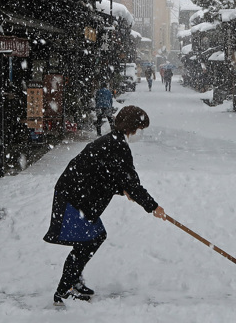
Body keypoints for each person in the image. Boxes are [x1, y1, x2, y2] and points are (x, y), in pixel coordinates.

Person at [43, 105, 167, 303]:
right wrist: (153, 206)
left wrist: (122, 189)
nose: (141, 134)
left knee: (91, 239)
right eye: (141, 129)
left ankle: (72, 282)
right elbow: (131, 182)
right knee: (89, 240)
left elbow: (107, 175)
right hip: (73, 197)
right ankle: (65, 289)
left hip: (77, 195)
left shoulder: (112, 142)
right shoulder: (116, 146)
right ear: (132, 127)